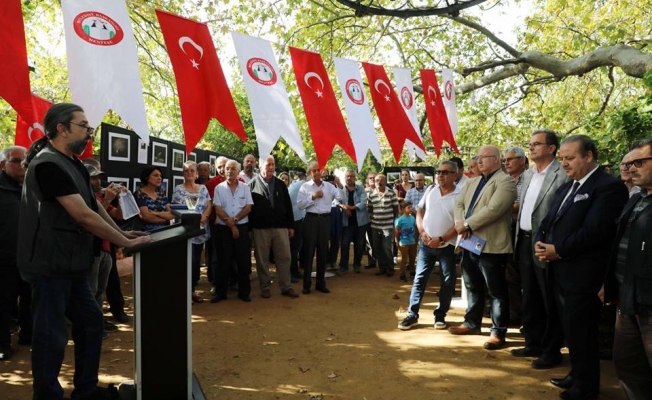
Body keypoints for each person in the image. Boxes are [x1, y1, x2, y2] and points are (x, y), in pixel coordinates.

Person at [17, 103, 151, 399]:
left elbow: (95, 206)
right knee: (51, 339)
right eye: (84, 126)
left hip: (72, 265)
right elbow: (82, 215)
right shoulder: (47, 164)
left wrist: (121, 233)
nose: (89, 133)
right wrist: (125, 244)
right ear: (62, 129)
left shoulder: (74, 163)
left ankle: (86, 392)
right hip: (50, 267)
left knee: (91, 324)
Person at [534, 135, 627, 400]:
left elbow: (596, 231)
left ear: (588, 156)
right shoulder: (567, 187)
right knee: (570, 327)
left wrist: (558, 250)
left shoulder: (608, 187)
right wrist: (542, 241)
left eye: (570, 158)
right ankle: (576, 374)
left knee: (582, 330)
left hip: (584, 273)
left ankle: (586, 387)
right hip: (559, 270)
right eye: (562, 158)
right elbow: (549, 219)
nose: (564, 163)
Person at [510, 130, 568, 370]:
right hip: (523, 241)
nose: (531, 148)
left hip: (544, 244)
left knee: (548, 299)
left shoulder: (561, 173)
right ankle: (532, 343)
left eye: (537, 144)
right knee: (530, 296)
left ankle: (551, 350)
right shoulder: (529, 174)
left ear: (552, 148)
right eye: (530, 144)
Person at [450, 145, 516, 351]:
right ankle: (472, 323)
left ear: (496, 159)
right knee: (472, 285)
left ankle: (498, 332)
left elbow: (494, 210)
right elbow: (458, 203)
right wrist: (461, 224)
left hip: (492, 245)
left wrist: (467, 224)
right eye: (477, 157)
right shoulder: (473, 182)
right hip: (469, 243)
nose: (479, 161)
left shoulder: (506, 182)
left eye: (484, 157)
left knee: (496, 291)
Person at [604, 137, 652, 399]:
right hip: (627, 297)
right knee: (628, 366)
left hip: (648, 303)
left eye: (640, 162)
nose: (632, 168)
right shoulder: (636, 199)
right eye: (630, 163)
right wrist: (610, 284)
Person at [398, 160, 460, 330]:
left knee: (447, 281)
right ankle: (412, 314)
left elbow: (460, 223)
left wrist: (441, 239)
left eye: (445, 172)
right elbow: (419, 210)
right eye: (438, 172)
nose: (440, 175)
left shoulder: (461, 194)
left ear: (455, 175)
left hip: (446, 246)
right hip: (426, 245)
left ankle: (440, 315)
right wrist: (422, 231)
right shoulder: (431, 190)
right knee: (419, 279)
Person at [81, 158, 129, 324]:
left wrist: (121, 197)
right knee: (91, 290)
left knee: (100, 290)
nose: (98, 181)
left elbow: (117, 216)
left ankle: (97, 322)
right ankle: (91, 324)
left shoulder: (100, 196)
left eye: (98, 177)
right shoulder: (83, 197)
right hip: (91, 251)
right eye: (93, 178)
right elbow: (95, 217)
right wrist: (108, 199)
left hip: (106, 249)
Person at [248, 156, 299, 299]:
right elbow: (249, 209)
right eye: (268, 164)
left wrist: (290, 225)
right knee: (262, 259)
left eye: (273, 164)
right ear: (260, 166)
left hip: (280, 227)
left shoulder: (281, 184)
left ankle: (286, 286)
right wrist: (250, 228)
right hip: (260, 229)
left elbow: (288, 206)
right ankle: (265, 287)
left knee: (285, 257)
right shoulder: (251, 185)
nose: (271, 167)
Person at [0, 145, 31, 361]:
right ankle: (2, 344)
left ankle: (28, 336)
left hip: (30, 258)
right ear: (3, 164)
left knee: (30, 300)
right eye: (16, 160)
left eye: (25, 160)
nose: (22, 164)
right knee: (3, 303)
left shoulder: (33, 187)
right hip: (3, 260)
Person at [297, 161, 344, 294]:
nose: (317, 172)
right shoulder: (305, 186)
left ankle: (320, 283)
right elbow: (300, 205)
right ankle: (306, 285)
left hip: (325, 220)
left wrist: (339, 184)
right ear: (309, 173)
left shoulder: (329, 186)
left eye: (319, 170)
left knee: (323, 252)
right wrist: (313, 196)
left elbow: (341, 198)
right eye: (314, 170)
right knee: (309, 252)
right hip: (311, 220)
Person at [211, 160, 253, 303]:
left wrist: (234, 221)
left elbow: (248, 207)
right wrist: (231, 224)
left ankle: (244, 292)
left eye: (233, 169)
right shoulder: (219, 188)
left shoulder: (245, 188)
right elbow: (217, 208)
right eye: (227, 168)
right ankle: (221, 292)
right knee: (223, 261)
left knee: (243, 261)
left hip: (241, 227)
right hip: (223, 228)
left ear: (238, 171)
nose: (229, 171)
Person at [172, 161, 212, 303]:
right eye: (186, 171)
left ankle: (192, 290)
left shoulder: (202, 188)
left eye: (192, 171)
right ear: (183, 174)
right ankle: (184, 291)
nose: (189, 173)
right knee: (186, 262)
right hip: (185, 231)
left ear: (196, 174)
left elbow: (209, 205)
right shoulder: (178, 189)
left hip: (200, 230)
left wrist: (204, 216)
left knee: (196, 263)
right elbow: (175, 208)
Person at [502, 146, 527, 326]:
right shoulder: (506, 181)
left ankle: (526, 316)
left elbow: (525, 205)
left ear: (521, 160)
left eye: (510, 159)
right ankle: (514, 313)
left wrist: (502, 209)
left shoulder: (531, 179)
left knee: (526, 276)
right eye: (504, 160)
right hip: (507, 230)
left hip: (525, 233)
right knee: (509, 274)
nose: (506, 163)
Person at [337, 169, 369, 274]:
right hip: (346, 223)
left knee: (359, 244)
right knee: (345, 244)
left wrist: (351, 208)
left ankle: (357, 264)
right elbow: (336, 200)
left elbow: (363, 202)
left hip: (360, 222)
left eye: (351, 176)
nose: (349, 178)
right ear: (345, 178)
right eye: (347, 176)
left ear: (355, 177)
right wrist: (344, 207)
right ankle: (343, 266)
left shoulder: (360, 189)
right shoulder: (341, 189)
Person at [368, 174, 399, 277]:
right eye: (376, 180)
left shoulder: (391, 193)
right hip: (375, 226)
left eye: (381, 180)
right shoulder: (371, 194)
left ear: (385, 182)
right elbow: (370, 209)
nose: (378, 182)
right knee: (377, 248)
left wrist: (394, 223)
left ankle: (390, 269)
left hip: (387, 226)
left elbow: (395, 209)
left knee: (386, 247)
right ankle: (382, 268)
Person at [134, 166, 175, 231]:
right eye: (156, 175)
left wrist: (155, 213)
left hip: (165, 232)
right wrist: (166, 218)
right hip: (146, 234)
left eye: (160, 176)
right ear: (146, 177)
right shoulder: (139, 194)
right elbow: (146, 216)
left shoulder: (162, 195)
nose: (159, 178)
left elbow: (172, 214)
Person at [288, 168, 307, 282]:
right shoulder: (303, 184)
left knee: (294, 247)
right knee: (295, 248)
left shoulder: (292, 185)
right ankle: (291, 273)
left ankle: (294, 271)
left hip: (293, 219)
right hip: (297, 219)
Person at [394, 201, 417, 282]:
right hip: (403, 243)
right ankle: (402, 275)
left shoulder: (413, 218)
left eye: (411, 207)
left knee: (412, 257)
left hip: (412, 242)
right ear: (403, 209)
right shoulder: (400, 220)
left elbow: (414, 228)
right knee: (404, 259)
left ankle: (412, 272)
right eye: (408, 207)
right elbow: (397, 231)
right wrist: (397, 240)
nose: (411, 209)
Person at [364, 172, 377, 269]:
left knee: (381, 242)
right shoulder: (364, 192)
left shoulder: (382, 190)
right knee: (369, 242)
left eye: (374, 178)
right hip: (367, 220)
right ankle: (371, 261)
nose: (372, 179)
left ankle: (383, 262)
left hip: (381, 220)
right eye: (370, 178)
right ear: (367, 181)